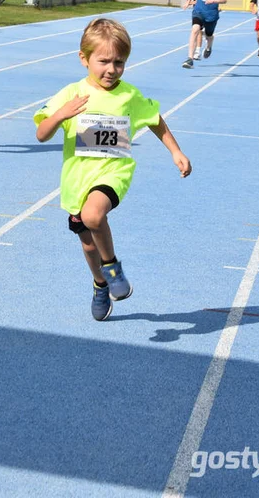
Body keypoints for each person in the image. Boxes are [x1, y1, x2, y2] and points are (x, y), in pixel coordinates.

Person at [34, 18, 192, 321]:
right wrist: (60, 115)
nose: (111, 69)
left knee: (94, 215)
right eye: (104, 61)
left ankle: (113, 267)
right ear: (84, 59)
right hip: (76, 178)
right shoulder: (71, 94)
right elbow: (41, 134)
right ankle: (100, 283)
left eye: (119, 63)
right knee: (87, 243)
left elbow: (155, 120)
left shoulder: (128, 95)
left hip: (113, 173)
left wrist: (176, 151)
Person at [182, 0, 227, 68]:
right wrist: (188, 0)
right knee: (195, 30)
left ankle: (208, 47)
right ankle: (190, 59)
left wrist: (214, 1)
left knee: (209, 35)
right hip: (199, 11)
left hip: (211, 14)